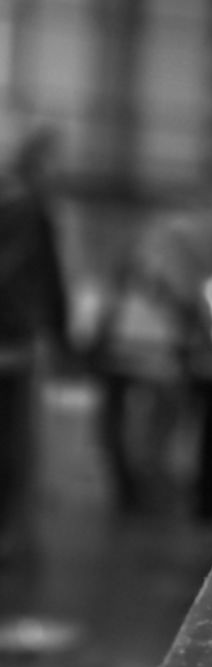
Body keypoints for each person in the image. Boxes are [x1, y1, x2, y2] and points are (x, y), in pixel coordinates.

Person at [0, 127, 70, 563]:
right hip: (14, 342)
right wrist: (54, 333)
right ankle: (11, 537)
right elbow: (34, 277)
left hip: (13, 337)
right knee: (14, 444)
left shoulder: (10, 201)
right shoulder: (28, 207)